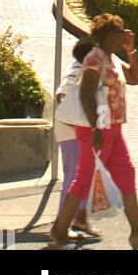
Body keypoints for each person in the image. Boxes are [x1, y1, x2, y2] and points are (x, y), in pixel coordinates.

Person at [47, 12, 138, 250]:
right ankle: (59, 235)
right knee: (83, 180)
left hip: (114, 129)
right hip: (97, 129)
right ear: (106, 35)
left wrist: (131, 50)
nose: (123, 34)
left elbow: (135, 78)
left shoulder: (112, 59)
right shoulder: (95, 58)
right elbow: (86, 93)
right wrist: (95, 128)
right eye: (118, 31)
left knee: (126, 175)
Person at [51, 38, 98, 243]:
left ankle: (79, 218)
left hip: (75, 132)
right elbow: (62, 94)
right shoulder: (77, 72)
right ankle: (62, 223)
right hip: (71, 133)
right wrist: (74, 118)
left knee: (82, 175)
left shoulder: (79, 69)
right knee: (73, 177)